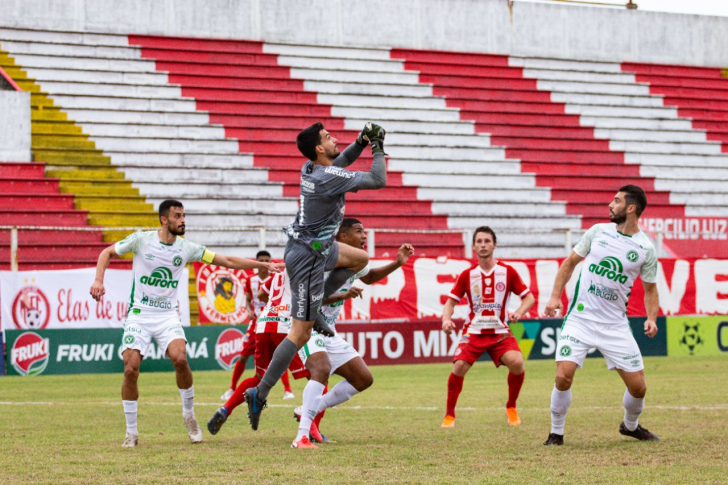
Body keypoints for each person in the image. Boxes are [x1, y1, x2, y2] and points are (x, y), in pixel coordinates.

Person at [89, 199, 282, 448]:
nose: (183, 220)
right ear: (164, 220)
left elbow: (227, 261)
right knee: (130, 369)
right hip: (139, 314)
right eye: (178, 216)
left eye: (184, 216)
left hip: (168, 315)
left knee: (180, 359)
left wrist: (261, 265)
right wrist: (98, 281)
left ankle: (189, 415)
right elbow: (107, 252)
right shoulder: (141, 240)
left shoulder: (186, 247)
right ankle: (131, 432)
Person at [244, 121, 388, 430]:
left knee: (360, 258)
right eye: (328, 137)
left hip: (315, 247)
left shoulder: (310, 168)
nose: (335, 139)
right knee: (300, 334)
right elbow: (378, 178)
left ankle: (319, 305)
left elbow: (341, 162)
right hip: (308, 258)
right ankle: (260, 392)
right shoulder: (325, 177)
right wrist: (377, 146)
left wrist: (361, 140)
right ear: (319, 148)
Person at [543, 185, 660, 446]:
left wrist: (651, 317)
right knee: (563, 376)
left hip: (615, 325)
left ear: (631, 208)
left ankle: (630, 426)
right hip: (580, 319)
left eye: (616, 201)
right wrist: (554, 297)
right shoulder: (597, 232)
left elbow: (651, 289)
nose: (610, 204)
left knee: (639, 387)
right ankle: (556, 434)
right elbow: (569, 263)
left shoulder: (645, 248)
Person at [291, 218, 415, 449]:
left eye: (365, 231)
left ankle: (310, 409)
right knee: (322, 369)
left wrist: (398, 263)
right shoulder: (324, 261)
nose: (364, 235)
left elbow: (369, 277)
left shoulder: (354, 262)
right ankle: (301, 437)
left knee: (363, 379)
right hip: (307, 327)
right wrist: (341, 295)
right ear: (343, 237)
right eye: (359, 231)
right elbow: (306, 297)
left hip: (328, 331)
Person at [441, 226, 534, 428]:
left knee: (517, 363)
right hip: (473, 332)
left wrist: (519, 312)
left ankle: (511, 406)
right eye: (479, 241)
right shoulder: (467, 275)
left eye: (487, 241)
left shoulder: (507, 272)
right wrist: (446, 320)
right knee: (458, 367)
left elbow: (529, 297)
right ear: (473, 246)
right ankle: (449, 415)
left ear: (494, 245)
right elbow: (450, 302)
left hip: (500, 332)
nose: (483, 245)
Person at [207, 268, 311, 435]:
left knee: (259, 377)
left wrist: (277, 306)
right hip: (285, 327)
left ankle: (225, 409)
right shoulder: (308, 270)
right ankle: (310, 424)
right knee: (317, 374)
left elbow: (262, 294)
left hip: (264, 323)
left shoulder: (280, 273)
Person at [220, 250, 294, 401]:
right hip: (256, 323)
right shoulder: (250, 280)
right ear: (258, 262)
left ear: (271, 262)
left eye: (267, 260)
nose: (264, 264)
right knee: (243, 355)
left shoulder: (276, 279)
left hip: (275, 320)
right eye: (262, 260)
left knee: (279, 356)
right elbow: (248, 299)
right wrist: (248, 310)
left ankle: (287, 390)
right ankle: (232, 388)